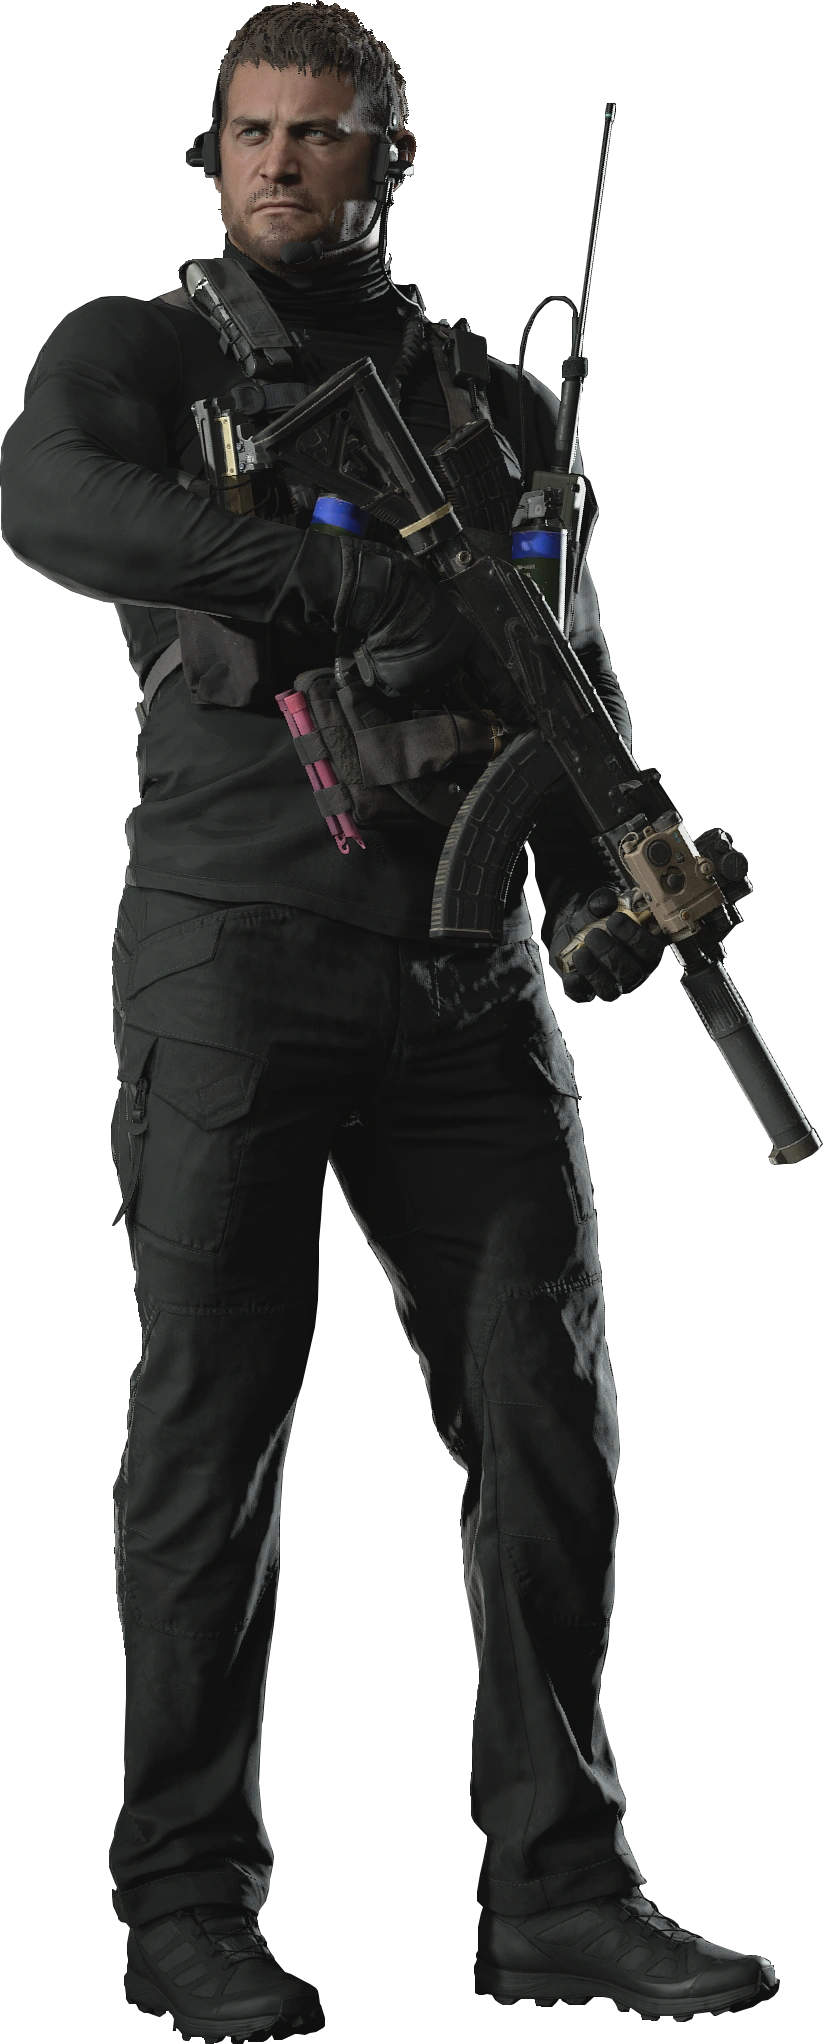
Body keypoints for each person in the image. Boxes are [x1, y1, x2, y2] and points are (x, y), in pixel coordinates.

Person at [0, 4, 775, 2029]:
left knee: (549, 1422)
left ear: (393, 161)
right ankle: (181, 1900)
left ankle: (561, 1889)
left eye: (322, 133)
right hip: (232, 963)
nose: (277, 162)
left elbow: (567, 684)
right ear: (214, 149)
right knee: (209, 1439)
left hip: (465, 978)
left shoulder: (498, 404)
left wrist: (627, 878)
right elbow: (46, 497)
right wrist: (343, 590)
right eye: (250, 130)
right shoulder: (144, 352)